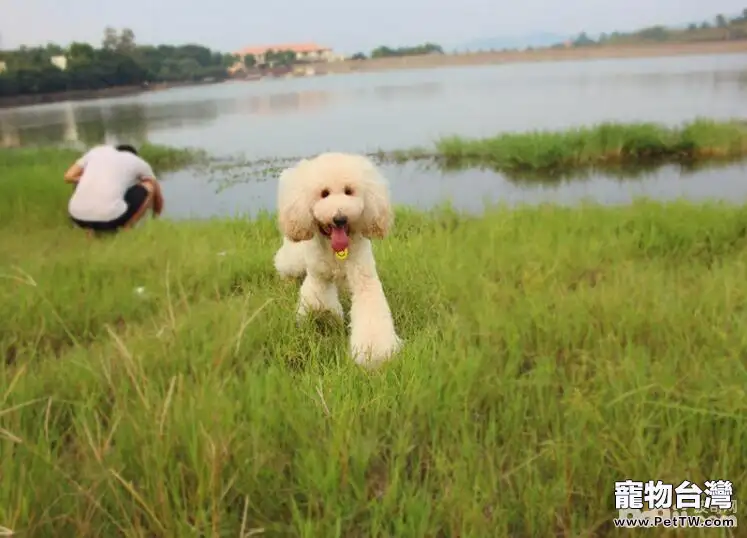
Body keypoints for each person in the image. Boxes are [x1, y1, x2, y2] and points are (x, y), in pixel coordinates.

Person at [64, 144, 164, 235]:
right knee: (149, 185)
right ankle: (126, 229)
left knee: (83, 180)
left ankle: (90, 231)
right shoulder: (138, 162)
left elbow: (68, 176)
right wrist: (156, 217)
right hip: (109, 220)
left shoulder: (96, 152)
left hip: (76, 218)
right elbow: (157, 195)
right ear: (135, 155)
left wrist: (87, 178)